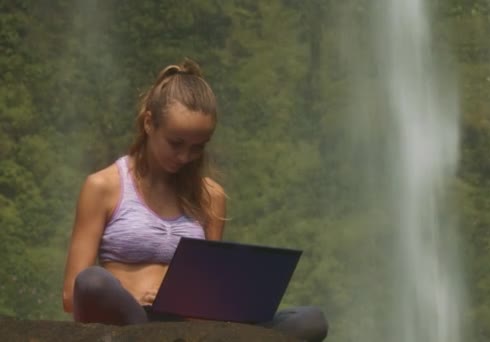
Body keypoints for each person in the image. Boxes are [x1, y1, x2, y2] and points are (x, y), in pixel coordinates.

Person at [62, 59, 328, 342]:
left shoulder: (210, 196)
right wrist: (139, 298)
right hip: (131, 320)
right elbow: (71, 295)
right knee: (92, 282)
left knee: (310, 320)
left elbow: (209, 289)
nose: (184, 157)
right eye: (176, 143)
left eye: (197, 148)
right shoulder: (103, 186)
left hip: (189, 325)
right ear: (149, 123)